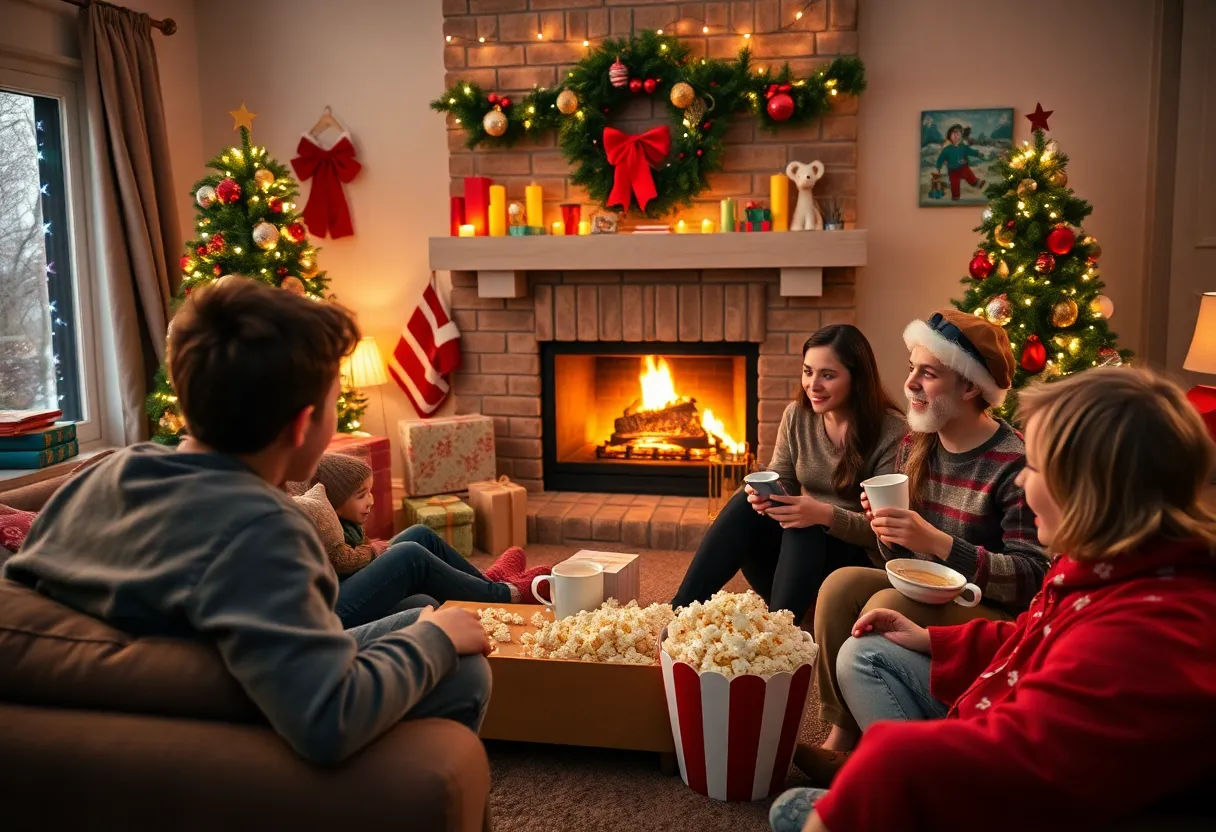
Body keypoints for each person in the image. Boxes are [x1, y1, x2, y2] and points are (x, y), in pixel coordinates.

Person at [3, 277, 494, 765]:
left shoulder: (107, 471)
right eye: (332, 402)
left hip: (170, 691)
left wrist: (422, 631)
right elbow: (327, 718)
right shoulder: (266, 529)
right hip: (235, 731)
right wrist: (435, 642)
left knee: (419, 612)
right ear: (303, 425)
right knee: (463, 666)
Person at [770, 367, 1216, 832]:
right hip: (989, 693)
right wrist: (931, 639)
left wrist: (890, 770)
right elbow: (1032, 635)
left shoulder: (1144, 634)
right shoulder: (1106, 566)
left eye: (1037, 468)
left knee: (794, 810)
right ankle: (880, 763)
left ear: (1091, 487)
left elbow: (1028, 758)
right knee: (863, 646)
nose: (1024, 483)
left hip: (1012, 742)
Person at [801, 309, 1048, 781]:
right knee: (838, 586)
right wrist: (887, 532)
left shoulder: (1014, 462)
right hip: (925, 586)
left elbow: (1031, 580)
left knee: (882, 600)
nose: (910, 382)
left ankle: (884, 757)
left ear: (970, 387)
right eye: (912, 367)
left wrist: (935, 541)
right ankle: (842, 735)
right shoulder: (917, 445)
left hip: (988, 608)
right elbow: (903, 561)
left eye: (928, 373)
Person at [672, 324, 906, 621]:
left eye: (828, 375)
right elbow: (780, 478)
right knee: (750, 504)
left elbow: (888, 535)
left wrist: (823, 514)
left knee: (802, 521)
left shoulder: (892, 432)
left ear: (857, 378)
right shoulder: (797, 415)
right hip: (798, 562)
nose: (813, 385)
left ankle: (779, 634)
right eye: (808, 372)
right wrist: (763, 496)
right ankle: (678, 612)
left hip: (856, 565)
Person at [310, 452, 549, 627]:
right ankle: (506, 595)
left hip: (347, 587)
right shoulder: (323, 526)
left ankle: (488, 581)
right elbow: (340, 559)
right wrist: (372, 552)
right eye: (361, 496)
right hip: (333, 609)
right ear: (334, 505)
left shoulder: (344, 524)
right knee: (409, 555)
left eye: (370, 492)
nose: (370, 501)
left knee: (419, 533)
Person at [935, 123, 986, 201]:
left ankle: (976, 183)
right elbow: (940, 159)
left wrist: (978, 154)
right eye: (953, 133)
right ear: (949, 136)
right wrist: (938, 167)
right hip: (952, 170)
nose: (956, 135)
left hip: (963, 167)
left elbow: (971, 151)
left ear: (961, 136)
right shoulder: (947, 149)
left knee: (968, 173)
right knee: (954, 183)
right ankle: (955, 196)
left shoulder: (963, 147)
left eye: (958, 134)